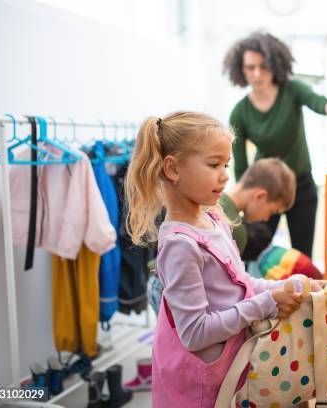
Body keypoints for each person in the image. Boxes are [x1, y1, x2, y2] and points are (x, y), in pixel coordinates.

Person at [125, 112, 305, 407]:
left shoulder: (214, 218)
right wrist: (266, 304)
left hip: (227, 374)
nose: (224, 175)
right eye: (213, 165)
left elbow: (240, 283)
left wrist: (282, 287)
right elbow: (195, 333)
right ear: (172, 168)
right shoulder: (179, 245)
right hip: (198, 390)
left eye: (226, 165)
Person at [224, 31, 327, 257]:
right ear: (240, 70)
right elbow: (241, 169)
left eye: (263, 66)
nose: (257, 73)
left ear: (275, 64)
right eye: (250, 67)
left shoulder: (293, 91)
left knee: (303, 253)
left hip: (301, 186)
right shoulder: (240, 112)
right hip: (264, 190)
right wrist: (239, 209)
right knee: (254, 252)